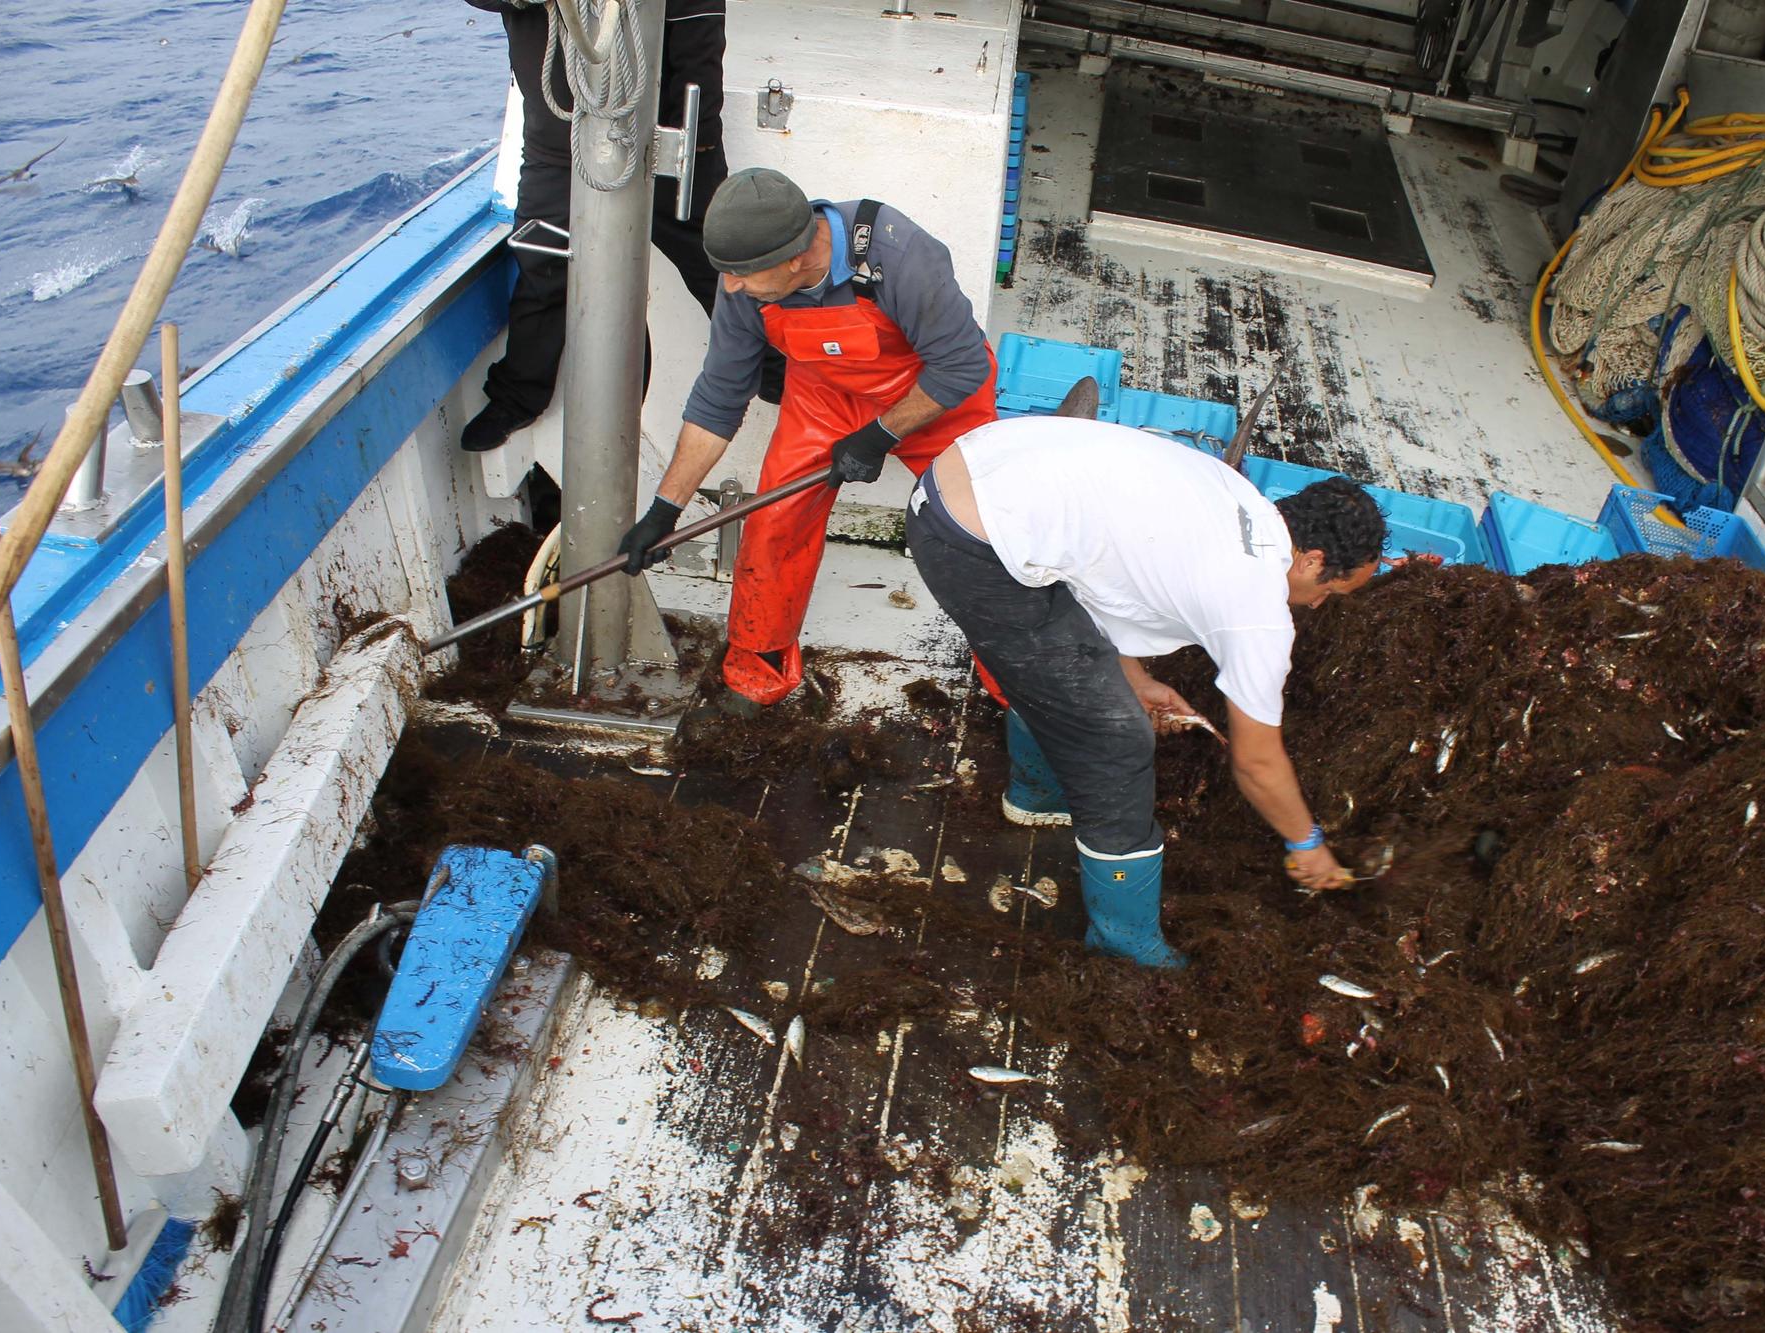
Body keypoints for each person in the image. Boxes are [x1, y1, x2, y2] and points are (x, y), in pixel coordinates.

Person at [906, 416, 1386, 968]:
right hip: (971, 543)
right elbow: (1257, 761)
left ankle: (1041, 796)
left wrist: (1134, 677)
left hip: (965, 475)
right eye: (1331, 591)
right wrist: (1307, 845)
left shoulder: (1237, 498)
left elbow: (1099, 579)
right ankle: (1123, 943)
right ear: (1313, 561)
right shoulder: (1256, 610)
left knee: (1069, 676)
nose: (1320, 605)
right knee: (1117, 741)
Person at [614, 168, 998, 713]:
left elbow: (959, 368)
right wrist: (663, 509)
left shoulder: (901, 255)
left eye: (742, 276)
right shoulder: (747, 285)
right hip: (825, 391)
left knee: (988, 532)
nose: (730, 287)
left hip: (930, 392)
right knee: (775, 522)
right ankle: (758, 667)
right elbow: (719, 398)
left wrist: (879, 436)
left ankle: (1014, 676)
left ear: (796, 257)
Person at [460, 0, 753, 453]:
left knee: (717, 255)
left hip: (665, 132)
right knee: (543, 260)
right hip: (559, 135)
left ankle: (780, 368)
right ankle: (519, 394)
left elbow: (700, 21)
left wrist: (699, 140)